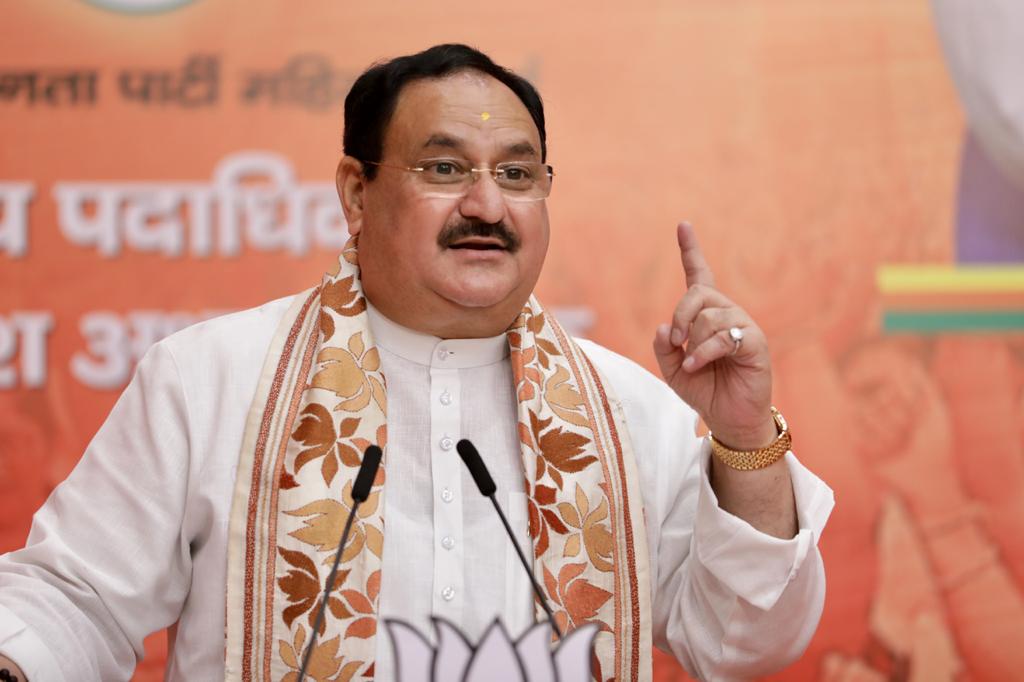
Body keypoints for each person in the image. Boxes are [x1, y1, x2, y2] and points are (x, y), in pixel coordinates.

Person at [0, 44, 833, 681]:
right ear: (357, 193)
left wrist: (744, 438)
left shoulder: (626, 411)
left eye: (517, 173)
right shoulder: (210, 380)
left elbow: (744, 641)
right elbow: (76, 598)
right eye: (444, 169)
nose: (486, 205)